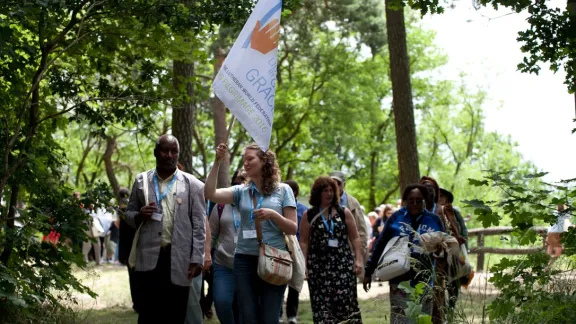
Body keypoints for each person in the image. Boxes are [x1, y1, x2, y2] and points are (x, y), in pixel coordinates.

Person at [205, 143, 297, 324]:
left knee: (269, 318)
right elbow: (210, 193)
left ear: (264, 161)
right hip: (244, 260)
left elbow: (292, 228)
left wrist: (273, 215)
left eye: (250, 159)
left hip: (274, 258)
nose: (245, 163)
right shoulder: (241, 191)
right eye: (243, 159)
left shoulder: (283, 190)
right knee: (249, 316)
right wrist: (217, 162)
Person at [125, 134, 206, 324]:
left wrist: (197, 259)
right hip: (149, 258)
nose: (169, 155)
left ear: (178, 154)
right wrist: (139, 216)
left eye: (173, 151)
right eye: (164, 150)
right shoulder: (141, 181)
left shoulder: (193, 184)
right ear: (155, 152)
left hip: (180, 259)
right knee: (148, 315)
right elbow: (128, 215)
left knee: (176, 314)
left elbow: (200, 226)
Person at [363, 184, 445, 324]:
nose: (414, 204)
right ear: (405, 201)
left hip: (424, 281)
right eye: (410, 200)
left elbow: (444, 247)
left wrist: (440, 250)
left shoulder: (433, 220)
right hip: (399, 279)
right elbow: (380, 244)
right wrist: (368, 272)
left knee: (421, 320)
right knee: (400, 320)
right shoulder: (396, 217)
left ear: (425, 201)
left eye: (418, 200)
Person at [299, 176, 363, 323]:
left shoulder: (343, 212)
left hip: (343, 266)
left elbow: (355, 237)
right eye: (325, 191)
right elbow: (303, 241)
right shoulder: (309, 215)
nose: (329, 193)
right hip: (318, 268)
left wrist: (358, 260)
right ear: (317, 193)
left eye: (331, 190)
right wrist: (304, 265)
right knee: (322, 307)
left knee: (346, 303)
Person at [210, 173, 246, 324]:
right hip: (224, 265)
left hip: (249, 267)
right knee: (221, 302)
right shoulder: (221, 206)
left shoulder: (259, 204)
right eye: (236, 183)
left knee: (245, 308)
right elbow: (211, 234)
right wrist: (205, 255)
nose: (239, 187)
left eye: (243, 184)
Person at [280, 179, 308, 324]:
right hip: (281, 249)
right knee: (278, 280)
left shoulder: (303, 210)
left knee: (294, 285)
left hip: (296, 251)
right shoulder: (277, 206)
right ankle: (278, 314)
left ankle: (292, 315)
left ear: (294, 192)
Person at [438, 187, 468, 309]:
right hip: (438, 253)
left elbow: (463, 231)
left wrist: (465, 249)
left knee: (454, 282)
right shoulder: (431, 212)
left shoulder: (454, 212)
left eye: (442, 196)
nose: (439, 198)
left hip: (455, 252)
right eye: (437, 196)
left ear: (447, 199)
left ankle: (450, 308)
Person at [329, 171, 369, 261]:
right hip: (327, 253)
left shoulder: (353, 203)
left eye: (338, 183)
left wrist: (359, 254)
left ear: (344, 184)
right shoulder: (322, 201)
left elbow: (361, 230)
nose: (335, 186)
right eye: (332, 183)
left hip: (348, 253)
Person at [117, 187, 141, 313]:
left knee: (133, 277)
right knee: (138, 276)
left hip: (128, 248)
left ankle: (137, 303)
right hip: (137, 247)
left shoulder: (121, 212)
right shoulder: (136, 211)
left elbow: (121, 234)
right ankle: (140, 303)